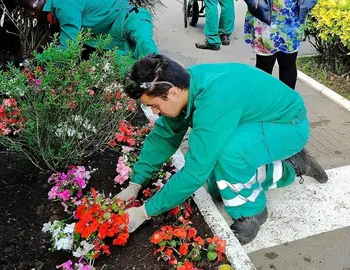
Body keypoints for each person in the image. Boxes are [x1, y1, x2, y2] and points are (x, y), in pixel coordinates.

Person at [116, 54, 328, 245]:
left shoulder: (213, 100)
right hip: (258, 122)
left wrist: (145, 212)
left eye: (154, 105)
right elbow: (163, 137)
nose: (154, 111)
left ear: (172, 92)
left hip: (288, 126)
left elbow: (195, 172)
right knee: (219, 189)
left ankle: (252, 213)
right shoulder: (186, 86)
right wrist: (135, 184)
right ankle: (294, 165)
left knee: (229, 153)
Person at [22, 0, 159, 60]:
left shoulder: (64, 5)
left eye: (33, 9)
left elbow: (69, 49)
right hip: (109, 40)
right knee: (132, 77)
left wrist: (39, 58)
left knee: (152, 59)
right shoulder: (57, 6)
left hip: (130, 21)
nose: (34, 14)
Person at [243, 0, 317, 89]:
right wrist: (254, 3)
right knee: (264, 64)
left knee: (288, 62)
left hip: (292, 16)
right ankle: (262, 101)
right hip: (264, 14)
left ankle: (286, 101)